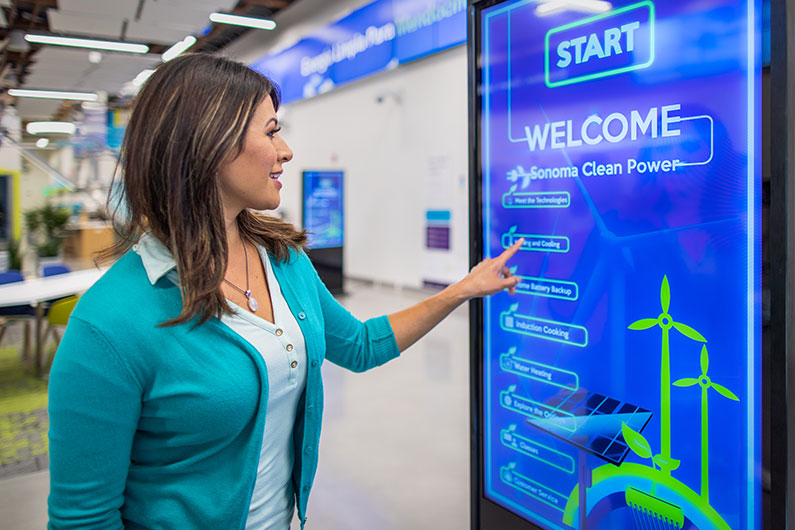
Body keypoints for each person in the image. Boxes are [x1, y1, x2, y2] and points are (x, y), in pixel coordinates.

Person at [47, 53, 522, 530]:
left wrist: (461, 290)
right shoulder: (107, 325)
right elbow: (83, 520)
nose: (287, 150)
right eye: (272, 131)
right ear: (208, 141)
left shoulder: (283, 259)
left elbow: (358, 345)